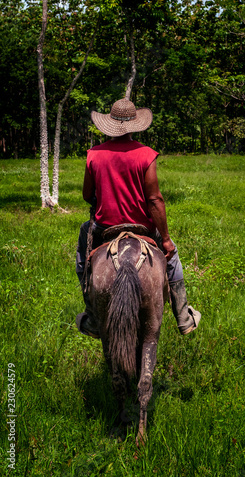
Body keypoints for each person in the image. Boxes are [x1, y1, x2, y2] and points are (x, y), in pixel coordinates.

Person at [75, 98, 201, 338]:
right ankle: (183, 316)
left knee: (84, 248)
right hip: (143, 228)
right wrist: (165, 239)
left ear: (110, 124)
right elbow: (154, 200)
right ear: (135, 125)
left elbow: (86, 195)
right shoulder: (146, 154)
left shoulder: (93, 155)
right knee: (172, 259)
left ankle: (91, 314)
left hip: (104, 227)